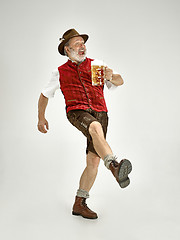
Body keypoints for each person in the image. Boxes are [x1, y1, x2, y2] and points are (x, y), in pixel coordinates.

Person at [37, 28, 132, 219]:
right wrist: (41, 117)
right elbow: (44, 95)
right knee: (94, 127)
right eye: (77, 44)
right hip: (77, 111)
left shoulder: (98, 64)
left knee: (93, 162)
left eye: (83, 43)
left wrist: (110, 76)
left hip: (101, 112)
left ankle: (79, 203)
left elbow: (120, 81)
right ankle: (114, 165)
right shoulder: (59, 72)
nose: (82, 46)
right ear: (67, 50)